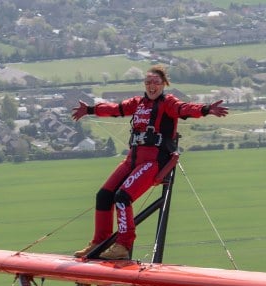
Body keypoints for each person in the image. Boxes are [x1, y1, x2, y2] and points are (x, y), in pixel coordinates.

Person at [71, 65, 228, 260]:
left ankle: (123, 245)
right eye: (148, 82)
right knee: (103, 195)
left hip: (154, 162)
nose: (151, 86)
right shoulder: (138, 103)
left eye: (156, 82)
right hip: (133, 159)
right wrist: (91, 109)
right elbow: (116, 109)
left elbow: (183, 109)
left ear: (163, 84)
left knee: (122, 197)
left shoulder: (168, 103)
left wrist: (206, 109)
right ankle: (100, 242)